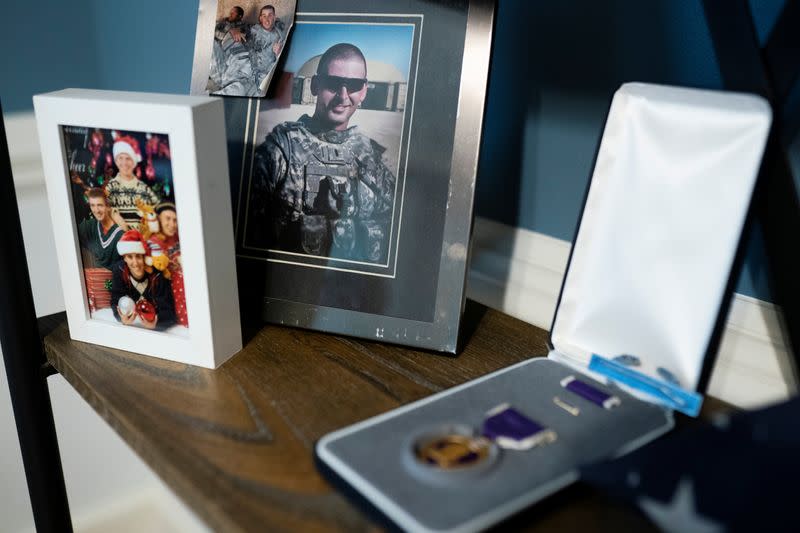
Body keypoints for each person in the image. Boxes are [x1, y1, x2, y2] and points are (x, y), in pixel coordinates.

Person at [250, 43, 396, 263]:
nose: (343, 96)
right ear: (315, 85)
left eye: (354, 85)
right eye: (333, 83)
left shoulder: (373, 157)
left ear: (364, 90)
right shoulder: (281, 149)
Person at [210, 5, 285, 96]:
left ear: (274, 17)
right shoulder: (251, 28)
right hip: (232, 64)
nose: (267, 18)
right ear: (260, 18)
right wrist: (232, 30)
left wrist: (279, 54)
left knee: (238, 90)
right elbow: (217, 25)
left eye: (270, 15)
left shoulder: (279, 37)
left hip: (244, 77)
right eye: (264, 16)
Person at [111, 230, 175, 330]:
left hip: (155, 330)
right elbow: (115, 300)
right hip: (132, 327)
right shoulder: (119, 272)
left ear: (145, 257)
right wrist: (121, 318)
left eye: (138, 256)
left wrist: (157, 323)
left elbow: (170, 312)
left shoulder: (157, 275)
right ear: (124, 258)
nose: (135, 263)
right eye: (130, 257)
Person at [105, 136, 160, 229]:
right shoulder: (111, 187)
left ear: (134, 161)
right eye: (120, 158)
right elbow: (104, 209)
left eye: (128, 158)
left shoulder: (143, 188)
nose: (124, 163)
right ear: (116, 161)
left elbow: (157, 210)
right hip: (119, 238)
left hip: (142, 239)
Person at [147, 203, 188, 327]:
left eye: (175, 220)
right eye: (168, 219)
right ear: (158, 219)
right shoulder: (154, 241)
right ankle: (185, 319)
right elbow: (160, 268)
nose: (172, 224)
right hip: (167, 281)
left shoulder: (175, 235)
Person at [77, 188, 129, 269]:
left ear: (108, 207)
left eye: (100, 205)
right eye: (92, 205)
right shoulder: (90, 225)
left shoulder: (119, 233)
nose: (96, 210)